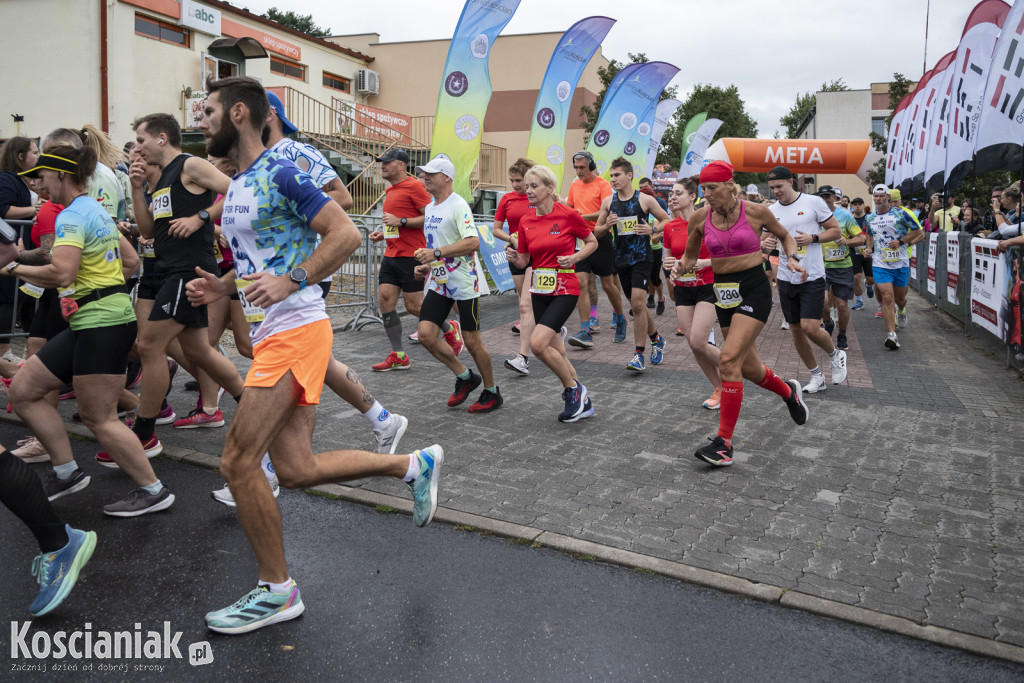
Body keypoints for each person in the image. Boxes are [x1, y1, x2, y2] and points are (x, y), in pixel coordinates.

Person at [189, 76, 443, 634]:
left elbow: (345, 232)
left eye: (205, 111)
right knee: (296, 468)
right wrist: (224, 288)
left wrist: (293, 279)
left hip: (296, 328)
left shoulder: (281, 170)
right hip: (279, 328)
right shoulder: (240, 184)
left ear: (238, 114)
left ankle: (277, 591)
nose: (197, 120)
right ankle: (412, 465)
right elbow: (264, 258)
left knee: (236, 461)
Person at [5, 146, 177, 516]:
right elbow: (129, 261)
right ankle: (66, 472)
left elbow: (61, 273)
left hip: (103, 326)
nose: (37, 186)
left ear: (62, 176)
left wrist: (12, 269)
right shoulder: (94, 209)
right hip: (93, 321)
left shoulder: (71, 217)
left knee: (99, 416)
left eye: (42, 177)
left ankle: (154, 491)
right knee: (24, 390)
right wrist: (101, 290)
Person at [677, 161, 809, 466]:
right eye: (703, 189)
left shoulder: (755, 212)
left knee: (727, 359)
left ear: (729, 185)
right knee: (749, 369)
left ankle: (723, 444)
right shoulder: (699, 218)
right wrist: (680, 266)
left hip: (753, 287)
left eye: (711, 188)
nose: (706, 194)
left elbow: (785, 236)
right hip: (723, 290)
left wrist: (791, 258)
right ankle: (789, 392)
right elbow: (690, 256)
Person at [127, 113, 245, 446]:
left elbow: (237, 190)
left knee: (150, 345)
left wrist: (201, 217)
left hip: (188, 270)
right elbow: (148, 231)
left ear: (161, 138)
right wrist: (137, 190)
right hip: (168, 269)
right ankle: (249, 402)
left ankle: (145, 433)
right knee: (198, 350)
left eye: (140, 140)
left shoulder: (189, 165)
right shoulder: (162, 177)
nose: (137, 148)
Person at [505, 165, 596, 421]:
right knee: (559, 351)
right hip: (539, 289)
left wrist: (575, 257)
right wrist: (515, 257)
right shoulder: (526, 221)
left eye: (534, 186)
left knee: (537, 344)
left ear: (549, 188)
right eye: (527, 186)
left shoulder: (567, 215)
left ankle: (572, 390)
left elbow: (593, 242)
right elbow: (524, 261)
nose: (529, 190)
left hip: (565, 288)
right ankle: (584, 402)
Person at [412, 155, 501, 412]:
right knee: (427, 336)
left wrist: (437, 253)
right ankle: (465, 377)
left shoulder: (458, 205)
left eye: (431, 174)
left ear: (447, 177)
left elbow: (473, 242)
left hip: (463, 283)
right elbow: (437, 247)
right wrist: (427, 265)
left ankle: (492, 391)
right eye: (423, 174)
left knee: (472, 342)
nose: (425, 178)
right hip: (440, 282)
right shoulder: (430, 207)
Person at [765, 167, 847, 393]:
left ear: (791, 182)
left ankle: (835, 354)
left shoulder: (813, 202)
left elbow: (836, 232)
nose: (776, 192)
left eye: (779, 186)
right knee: (795, 330)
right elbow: (764, 238)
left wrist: (814, 238)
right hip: (785, 275)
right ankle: (816, 376)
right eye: (772, 188)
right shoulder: (771, 210)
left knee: (809, 327)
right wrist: (766, 244)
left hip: (811, 274)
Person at [595, 157, 671, 372]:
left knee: (638, 304)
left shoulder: (644, 200)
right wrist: (606, 225)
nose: (613, 180)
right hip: (621, 260)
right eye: (611, 176)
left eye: (617, 175)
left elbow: (667, 220)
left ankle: (639, 355)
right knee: (636, 306)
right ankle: (657, 340)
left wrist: (653, 230)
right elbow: (596, 231)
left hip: (642, 258)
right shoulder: (609, 202)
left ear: (629, 176)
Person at [367, 148, 434, 370]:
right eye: (381, 162)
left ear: (401, 165)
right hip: (391, 254)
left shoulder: (415, 186)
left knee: (415, 306)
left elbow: (430, 218)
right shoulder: (391, 190)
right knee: (385, 300)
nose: (382, 166)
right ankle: (398, 354)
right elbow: (394, 223)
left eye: (387, 162)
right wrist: (384, 233)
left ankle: (448, 327)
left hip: (411, 254)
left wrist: (402, 221)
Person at [661, 177, 721, 409]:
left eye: (678, 193)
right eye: (671, 194)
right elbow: (668, 259)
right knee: (693, 344)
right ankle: (720, 388)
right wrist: (669, 265)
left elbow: (726, 256)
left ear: (693, 197)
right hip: (683, 289)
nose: (672, 197)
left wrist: (705, 262)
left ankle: (734, 371)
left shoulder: (709, 221)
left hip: (708, 286)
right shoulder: (669, 226)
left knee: (698, 341)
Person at [565, 151, 622, 345]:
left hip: (600, 237)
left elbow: (604, 212)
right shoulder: (574, 185)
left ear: (591, 166)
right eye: (576, 167)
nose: (578, 171)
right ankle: (585, 330)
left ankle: (620, 316)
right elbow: (570, 209)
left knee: (608, 284)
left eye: (582, 167)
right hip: (581, 240)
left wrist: (582, 216)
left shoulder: (604, 185)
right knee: (581, 282)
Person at [0, 137, 40, 385]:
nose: (38, 156)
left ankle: (26, 379)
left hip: (22, 260)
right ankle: (13, 374)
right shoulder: (6, 178)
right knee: (5, 327)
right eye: (34, 152)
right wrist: (36, 210)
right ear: (20, 156)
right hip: (9, 259)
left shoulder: (20, 180)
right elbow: (3, 210)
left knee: (30, 323)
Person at [492, 158, 538, 374]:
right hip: (516, 252)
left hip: (538, 253)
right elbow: (496, 229)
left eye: (518, 180)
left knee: (528, 303)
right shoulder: (507, 199)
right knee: (524, 299)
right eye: (512, 181)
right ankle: (552, 330)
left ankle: (525, 355)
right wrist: (511, 239)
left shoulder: (537, 197)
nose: (515, 185)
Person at [865, 184, 924, 349]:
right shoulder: (870, 218)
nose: (878, 199)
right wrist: (869, 248)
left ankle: (902, 309)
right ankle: (892, 335)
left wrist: (901, 242)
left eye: (882, 196)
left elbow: (919, 232)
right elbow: (869, 233)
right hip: (880, 263)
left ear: (888, 198)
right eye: (876, 196)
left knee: (900, 299)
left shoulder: (900, 214)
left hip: (901, 263)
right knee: (887, 297)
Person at [816, 186, 865, 351]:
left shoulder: (844, 215)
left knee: (842, 304)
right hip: (819, 266)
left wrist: (847, 242)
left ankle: (842, 334)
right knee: (822, 303)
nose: (825, 199)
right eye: (821, 196)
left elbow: (861, 238)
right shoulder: (812, 215)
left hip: (842, 266)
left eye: (828, 196)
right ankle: (828, 323)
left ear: (834, 197)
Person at [639, 178, 669, 314]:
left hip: (655, 249)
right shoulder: (638, 209)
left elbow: (660, 228)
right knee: (641, 276)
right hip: (641, 249)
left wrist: (654, 233)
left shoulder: (658, 208)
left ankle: (661, 298)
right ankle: (640, 303)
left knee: (655, 278)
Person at [848, 197, 875, 311]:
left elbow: (874, 234)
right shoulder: (848, 219)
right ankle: (859, 301)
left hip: (868, 253)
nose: (857, 206)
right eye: (855, 204)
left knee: (871, 279)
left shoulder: (870, 218)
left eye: (860, 204)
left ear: (864, 206)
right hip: (854, 253)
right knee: (856, 277)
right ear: (852, 206)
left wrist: (870, 247)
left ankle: (868, 285)